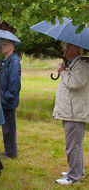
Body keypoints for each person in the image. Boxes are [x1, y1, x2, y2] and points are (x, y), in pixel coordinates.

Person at [54, 43, 89, 185]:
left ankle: (73, 177)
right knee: (75, 144)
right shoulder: (74, 64)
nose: (63, 49)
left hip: (74, 113)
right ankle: (77, 170)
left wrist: (62, 72)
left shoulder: (80, 65)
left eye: (65, 47)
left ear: (74, 49)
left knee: (73, 146)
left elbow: (76, 83)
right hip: (71, 111)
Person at [0, 39, 21, 159]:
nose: (3, 47)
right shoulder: (3, 61)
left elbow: (15, 82)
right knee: (5, 127)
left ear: (12, 46)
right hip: (2, 99)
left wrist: (7, 97)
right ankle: (8, 150)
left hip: (8, 101)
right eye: (2, 45)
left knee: (9, 127)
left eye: (5, 45)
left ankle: (11, 153)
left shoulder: (14, 61)